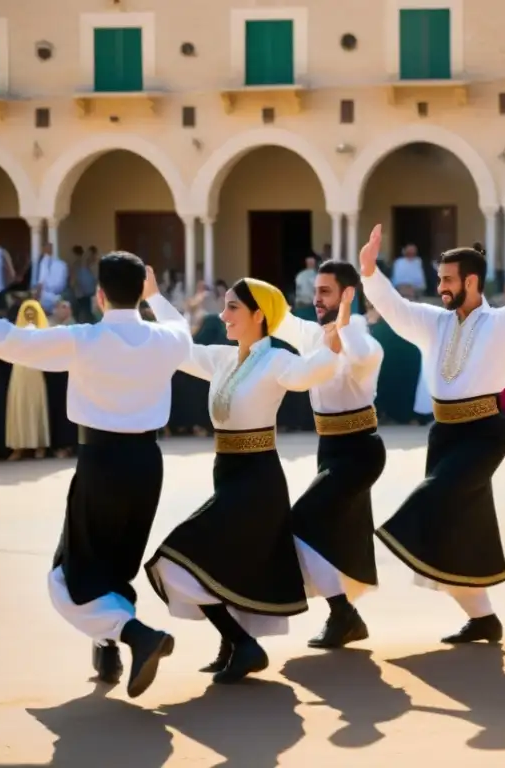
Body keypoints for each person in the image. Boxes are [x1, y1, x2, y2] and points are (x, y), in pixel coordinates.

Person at [0, 253, 192, 699]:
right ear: (140, 291)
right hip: (147, 464)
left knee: (68, 578)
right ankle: (109, 648)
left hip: (101, 463)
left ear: (99, 295)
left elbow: (13, 342)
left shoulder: (85, 338)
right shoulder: (166, 339)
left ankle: (136, 636)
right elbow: (181, 327)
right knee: (115, 566)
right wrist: (156, 298)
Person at [358, 224, 505, 643]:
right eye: (439, 279)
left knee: (438, 495)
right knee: (459, 528)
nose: (440, 286)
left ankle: (394, 534)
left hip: (484, 433)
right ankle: (483, 618)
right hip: (444, 433)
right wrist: (369, 272)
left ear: (471, 281)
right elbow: (394, 308)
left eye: (447, 279)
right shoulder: (434, 321)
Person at [144, 277, 344, 683]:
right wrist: (154, 297)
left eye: (233, 307)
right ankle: (234, 645)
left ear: (259, 315)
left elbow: (309, 373)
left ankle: (243, 643)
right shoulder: (222, 358)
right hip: (228, 472)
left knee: (176, 557)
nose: (223, 315)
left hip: (258, 480)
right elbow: (180, 348)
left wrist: (334, 342)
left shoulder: (276, 361)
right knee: (225, 560)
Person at [271, 260, 387, 649]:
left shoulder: (365, 339)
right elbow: (275, 314)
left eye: (326, 292)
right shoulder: (310, 332)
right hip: (330, 447)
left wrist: (345, 320)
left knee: (302, 521)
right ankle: (345, 616)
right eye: (316, 291)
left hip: (360, 450)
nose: (316, 298)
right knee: (334, 535)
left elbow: (359, 357)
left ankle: (344, 614)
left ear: (346, 295)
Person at [4, 301, 51, 461]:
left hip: (35, 372)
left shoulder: (44, 333)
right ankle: (19, 447)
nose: (29, 316)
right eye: (26, 312)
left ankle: (40, 445)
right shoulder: (16, 332)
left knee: (35, 405)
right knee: (19, 406)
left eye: (33, 312)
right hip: (19, 371)